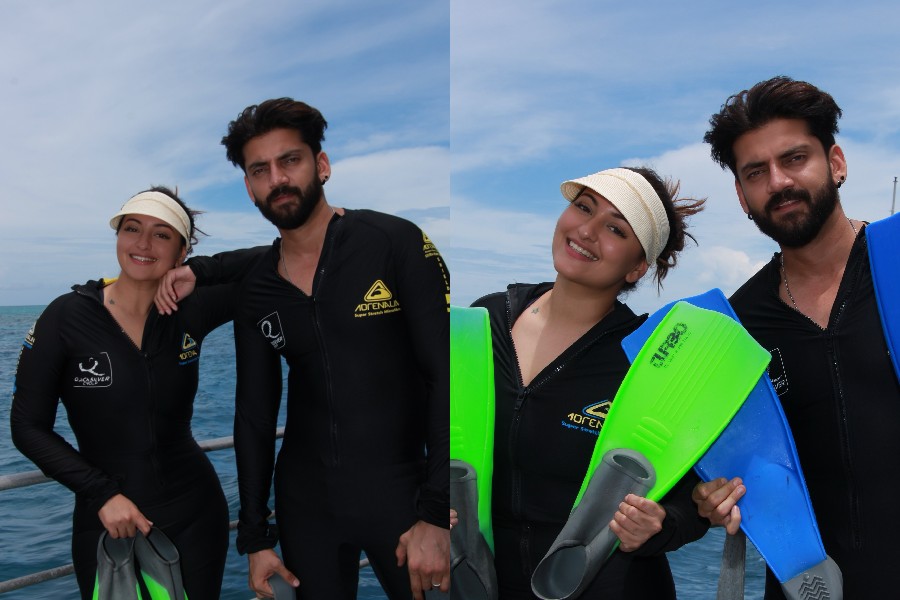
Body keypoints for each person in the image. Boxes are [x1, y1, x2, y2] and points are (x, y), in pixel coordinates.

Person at [154, 98, 450, 600]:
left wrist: (436, 512)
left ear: (322, 165)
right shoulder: (257, 288)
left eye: (290, 160)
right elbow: (253, 415)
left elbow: (445, 376)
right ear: (250, 188)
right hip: (306, 504)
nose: (278, 179)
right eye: (260, 170)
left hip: (404, 496)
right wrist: (255, 535)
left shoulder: (395, 243)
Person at [694, 76, 900, 598]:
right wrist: (707, 497)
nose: (779, 182)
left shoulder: (896, 264)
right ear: (742, 196)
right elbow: (715, 465)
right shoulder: (735, 327)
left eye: (794, 158)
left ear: (836, 163)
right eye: (756, 172)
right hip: (808, 587)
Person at [469, 166, 709, 599]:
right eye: (583, 207)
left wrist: (660, 525)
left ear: (637, 266)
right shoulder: (485, 321)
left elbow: (697, 495)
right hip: (489, 583)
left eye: (616, 228)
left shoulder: (646, 359)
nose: (587, 230)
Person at [10, 187, 233, 600]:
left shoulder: (192, 308)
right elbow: (26, 427)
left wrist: (200, 272)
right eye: (132, 229)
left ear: (182, 251)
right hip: (108, 520)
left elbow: (268, 264)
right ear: (118, 237)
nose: (143, 244)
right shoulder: (67, 316)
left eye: (162, 234)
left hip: (195, 514)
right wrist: (101, 492)